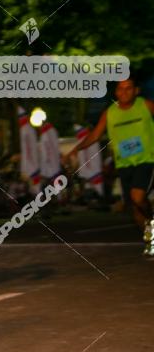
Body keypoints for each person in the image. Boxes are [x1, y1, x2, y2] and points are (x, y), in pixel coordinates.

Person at [68, 75, 154, 237]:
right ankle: (151, 237)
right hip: (124, 165)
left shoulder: (147, 105)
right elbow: (95, 135)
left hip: (147, 160)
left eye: (128, 88)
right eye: (120, 89)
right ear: (116, 92)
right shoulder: (109, 113)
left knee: (137, 197)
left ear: (136, 91)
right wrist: (76, 149)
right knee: (135, 207)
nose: (124, 92)